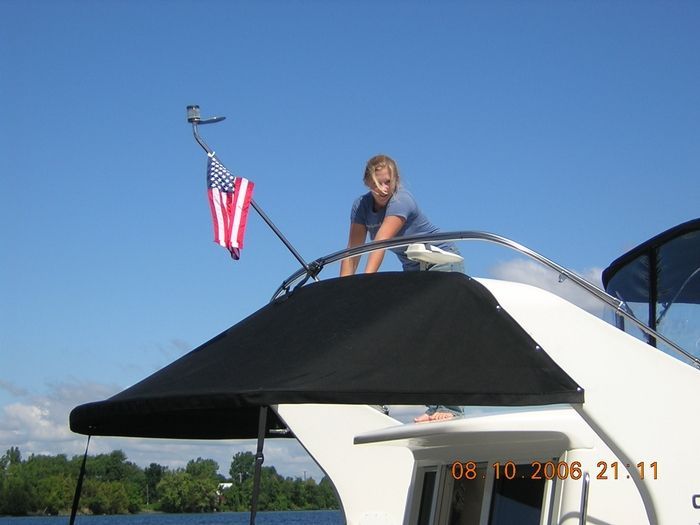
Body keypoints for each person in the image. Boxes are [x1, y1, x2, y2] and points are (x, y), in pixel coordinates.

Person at [340, 154, 464, 422]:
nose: (384, 189)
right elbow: (353, 252)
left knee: (438, 332)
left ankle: (450, 407)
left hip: (440, 261)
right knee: (413, 334)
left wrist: (359, 288)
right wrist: (341, 294)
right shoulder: (360, 206)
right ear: (366, 182)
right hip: (413, 269)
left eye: (388, 182)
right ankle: (434, 406)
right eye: (377, 184)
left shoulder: (402, 200)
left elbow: (379, 244)